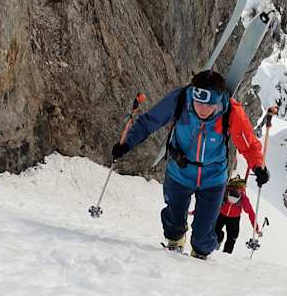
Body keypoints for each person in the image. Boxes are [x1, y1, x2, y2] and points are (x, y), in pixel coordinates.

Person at [111, 70, 270, 259]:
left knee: (203, 236)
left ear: (218, 101)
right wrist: (127, 143)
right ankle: (175, 242)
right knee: (173, 222)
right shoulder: (180, 100)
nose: (202, 109)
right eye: (198, 103)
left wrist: (258, 166)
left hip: (213, 179)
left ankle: (200, 258)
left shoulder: (231, 111)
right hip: (179, 172)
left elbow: (249, 144)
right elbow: (149, 122)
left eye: (208, 104)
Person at [215, 176, 260, 254]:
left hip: (234, 219)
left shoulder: (243, 198)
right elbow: (211, 202)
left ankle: (226, 254)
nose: (232, 202)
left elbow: (251, 212)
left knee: (232, 237)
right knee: (215, 231)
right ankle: (216, 243)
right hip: (221, 214)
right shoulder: (224, 192)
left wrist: (256, 228)